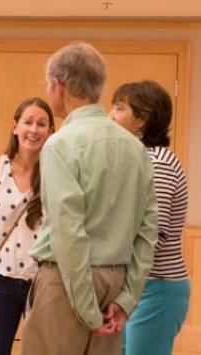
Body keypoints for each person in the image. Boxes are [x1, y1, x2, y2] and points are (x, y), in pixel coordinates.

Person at [20, 43, 158, 355]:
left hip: (67, 282)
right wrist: (126, 300)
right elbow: (148, 231)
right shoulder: (135, 148)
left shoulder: (61, 145)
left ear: (59, 85)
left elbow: (69, 234)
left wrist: (87, 310)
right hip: (116, 280)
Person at [110, 80, 190, 355]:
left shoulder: (158, 162)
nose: (111, 115)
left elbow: (152, 234)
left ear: (143, 119)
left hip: (156, 288)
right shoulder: (138, 159)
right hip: (135, 288)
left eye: (119, 108)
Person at [0, 97, 54, 355]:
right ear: (15, 127)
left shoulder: (57, 173)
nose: (34, 129)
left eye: (41, 124)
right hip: (1, 281)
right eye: (28, 122)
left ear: (51, 132)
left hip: (43, 281)